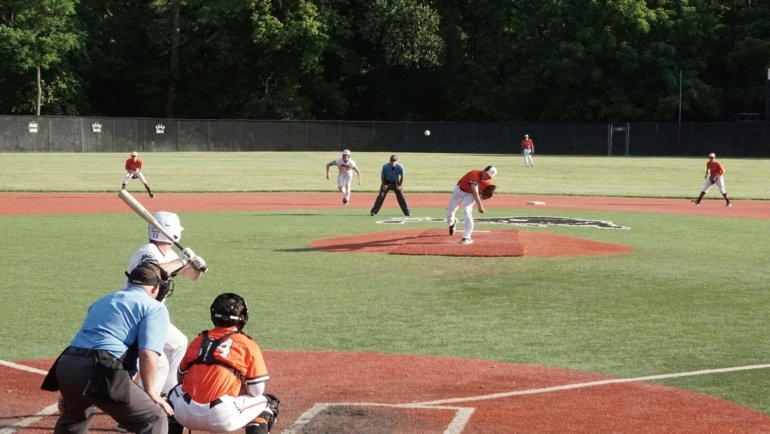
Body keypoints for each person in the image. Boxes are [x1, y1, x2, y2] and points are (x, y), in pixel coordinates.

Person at [41, 262, 174, 434]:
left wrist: (69, 392)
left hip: (67, 364)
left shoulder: (103, 300)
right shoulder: (155, 307)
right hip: (100, 369)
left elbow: (87, 341)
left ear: (130, 283)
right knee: (154, 417)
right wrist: (152, 393)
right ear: (156, 288)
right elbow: (147, 354)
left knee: (74, 416)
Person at [167, 293, 280, 434]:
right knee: (268, 403)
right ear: (242, 318)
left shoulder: (199, 340)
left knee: (171, 395)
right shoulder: (247, 344)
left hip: (185, 414)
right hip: (222, 416)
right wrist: (236, 388)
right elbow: (256, 391)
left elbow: (181, 379)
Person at [126, 211, 207, 397]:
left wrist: (197, 268)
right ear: (174, 233)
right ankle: (139, 409)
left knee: (179, 343)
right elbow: (151, 271)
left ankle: (169, 394)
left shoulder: (167, 254)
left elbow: (190, 276)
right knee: (158, 362)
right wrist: (182, 259)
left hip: (153, 315)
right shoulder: (147, 253)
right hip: (137, 314)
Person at [446, 166, 497, 245]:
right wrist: (480, 206)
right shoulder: (475, 173)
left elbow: (480, 193)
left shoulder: (488, 182)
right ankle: (452, 222)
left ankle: (466, 237)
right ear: (484, 171)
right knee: (450, 211)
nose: (487, 178)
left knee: (467, 211)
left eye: (490, 177)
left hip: (469, 195)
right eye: (487, 175)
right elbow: (475, 191)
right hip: (459, 191)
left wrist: (484, 195)